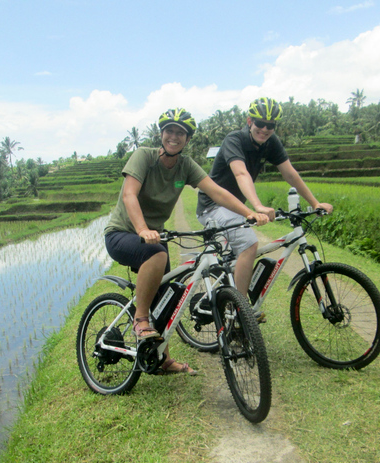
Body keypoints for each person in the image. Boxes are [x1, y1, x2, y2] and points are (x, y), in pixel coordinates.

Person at [104, 108, 270, 375]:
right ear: (161, 134)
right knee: (156, 257)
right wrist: (143, 229)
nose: (174, 136)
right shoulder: (144, 157)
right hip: (123, 234)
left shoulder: (186, 165)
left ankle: (162, 359)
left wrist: (249, 212)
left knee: (168, 299)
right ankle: (140, 319)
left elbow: (217, 192)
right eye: (169, 130)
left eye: (180, 133)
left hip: (155, 239)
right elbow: (129, 196)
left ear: (187, 138)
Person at [196, 97, 333, 321]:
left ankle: (233, 296)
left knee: (242, 251)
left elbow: (290, 173)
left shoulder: (271, 142)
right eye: (261, 123)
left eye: (271, 125)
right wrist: (257, 206)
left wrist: (315, 202)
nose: (265, 129)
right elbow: (241, 174)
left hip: (235, 207)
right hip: (213, 205)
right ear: (250, 121)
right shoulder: (235, 139)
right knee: (249, 244)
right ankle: (240, 313)